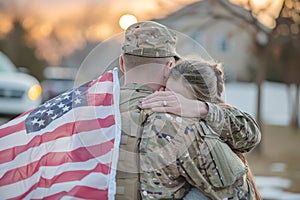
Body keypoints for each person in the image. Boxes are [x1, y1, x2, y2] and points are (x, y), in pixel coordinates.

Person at [116, 21, 261, 200]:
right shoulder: (178, 123)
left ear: (122, 63)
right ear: (170, 66)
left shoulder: (88, 110)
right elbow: (242, 193)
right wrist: (202, 109)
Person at [139, 58, 261, 199]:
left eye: (177, 100)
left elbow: (251, 136)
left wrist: (202, 109)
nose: (167, 102)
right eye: (166, 92)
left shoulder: (208, 123)